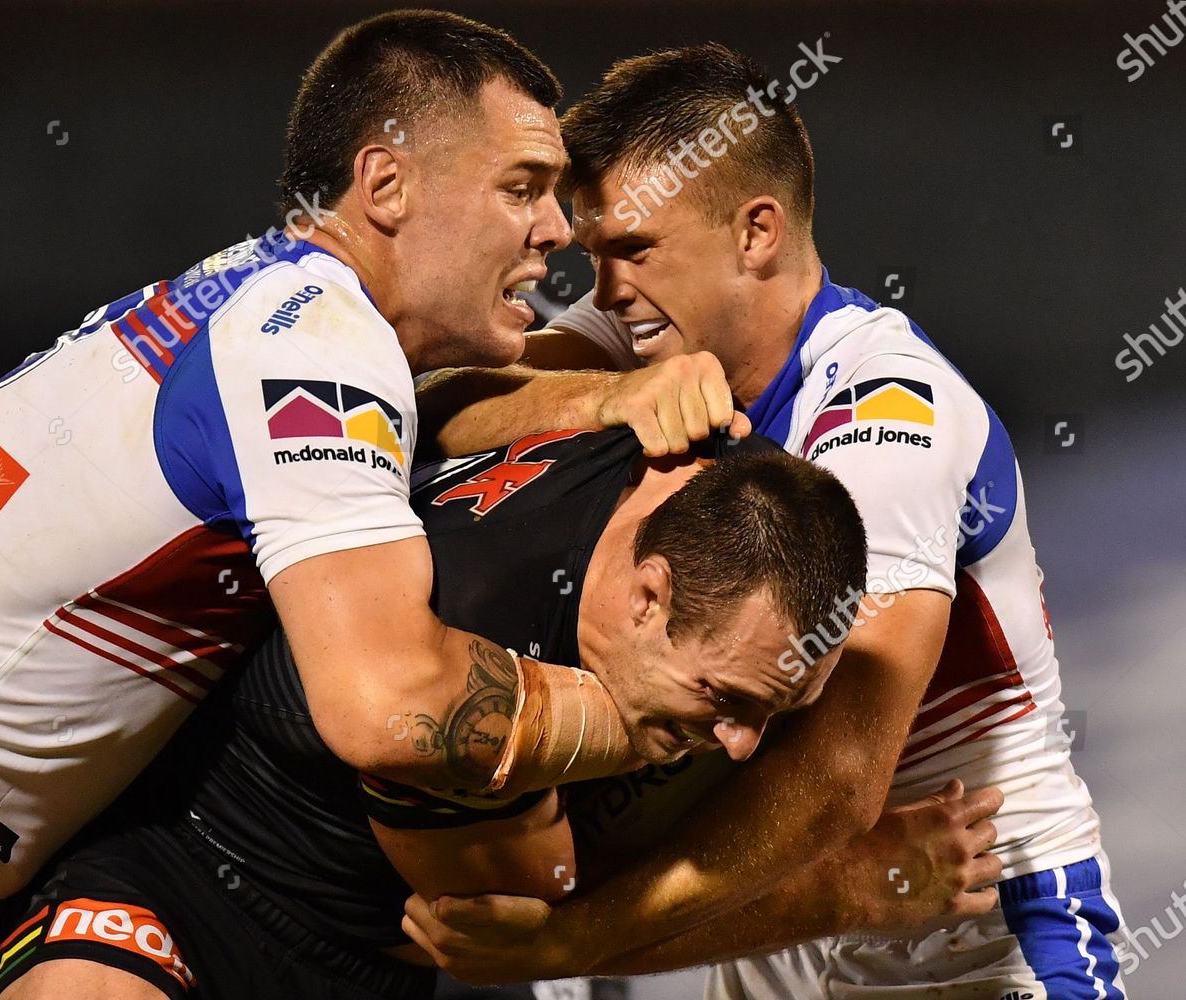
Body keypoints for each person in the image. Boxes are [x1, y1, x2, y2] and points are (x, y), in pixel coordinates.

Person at [0, 15, 745, 995]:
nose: (559, 230)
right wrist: (645, 715)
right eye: (524, 185)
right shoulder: (315, 347)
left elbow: (424, 413)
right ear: (386, 185)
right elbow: (388, 704)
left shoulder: (268, 307)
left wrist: (605, 394)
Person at [414, 42, 1127, 999]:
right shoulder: (638, 338)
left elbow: (837, 778)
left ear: (756, 232)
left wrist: (571, 941)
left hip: (964, 916)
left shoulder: (884, 421)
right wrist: (587, 402)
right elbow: (428, 410)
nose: (607, 289)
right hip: (775, 901)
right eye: (592, 258)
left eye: (634, 250)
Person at [0, 429, 997, 1000]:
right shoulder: (470, 662)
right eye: (725, 703)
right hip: (177, 880)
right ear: (645, 594)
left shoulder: (713, 489)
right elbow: (533, 927)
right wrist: (841, 892)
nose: (741, 745)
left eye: (773, 714)